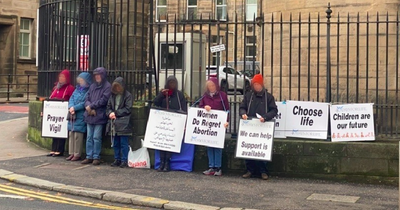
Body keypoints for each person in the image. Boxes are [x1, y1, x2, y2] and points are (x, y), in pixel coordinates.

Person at [239, 74, 278, 180]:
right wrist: (243, 113)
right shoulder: (248, 96)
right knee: (249, 148)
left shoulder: (268, 97)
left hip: (262, 126)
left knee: (261, 150)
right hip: (250, 126)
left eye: (258, 84)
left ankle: (263, 171)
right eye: (254, 84)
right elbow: (242, 107)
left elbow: (274, 110)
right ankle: (249, 170)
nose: (256, 86)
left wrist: (265, 117)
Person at [153, 75, 187, 172]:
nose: (172, 85)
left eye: (173, 83)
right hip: (163, 122)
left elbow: (183, 108)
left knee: (169, 143)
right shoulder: (164, 93)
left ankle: (167, 162)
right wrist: (161, 95)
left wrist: (184, 122)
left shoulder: (179, 95)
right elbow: (156, 103)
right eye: (170, 83)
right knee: (161, 143)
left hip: (174, 122)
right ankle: (161, 162)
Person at [199, 77, 229, 176]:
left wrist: (227, 121)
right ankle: (211, 166)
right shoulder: (205, 96)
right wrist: (204, 107)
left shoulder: (222, 96)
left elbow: (227, 109)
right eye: (209, 86)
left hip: (219, 124)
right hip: (208, 124)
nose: (211, 88)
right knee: (209, 145)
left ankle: (218, 167)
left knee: (217, 146)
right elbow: (200, 107)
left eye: (212, 86)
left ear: (216, 86)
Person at [81, 67, 111, 165]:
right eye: (96, 75)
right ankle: (89, 156)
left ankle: (96, 157)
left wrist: (91, 106)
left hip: (99, 114)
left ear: (103, 75)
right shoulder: (92, 86)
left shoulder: (107, 86)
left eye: (99, 75)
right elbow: (87, 97)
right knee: (89, 137)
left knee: (96, 137)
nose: (97, 77)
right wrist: (88, 106)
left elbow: (104, 100)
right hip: (90, 114)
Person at [106, 77, 133, 168]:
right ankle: (117, 159)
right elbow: (108, 107)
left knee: (123, 143)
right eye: (116, 87)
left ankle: (124, 160)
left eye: (119, 87)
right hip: (114, 121)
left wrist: (116, 113)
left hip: (123, 121)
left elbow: (128, 109)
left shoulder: (128, 95)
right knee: (116, 143)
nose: (117, 89)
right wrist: (110, 113)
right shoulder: (112, 96)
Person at [46, 69, 75, 157]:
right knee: (54, 130)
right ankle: (54, 148)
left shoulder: (70, 88)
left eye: (63, 77)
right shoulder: (55, 88)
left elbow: (71, 100)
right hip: (54, 113)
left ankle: (60, 149)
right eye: (60, 77)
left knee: (61, 131)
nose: (61, 78)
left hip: (63, 113)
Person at [66, 72, 92, 161]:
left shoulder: (88, 91)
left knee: (78, 135)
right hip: (73, 115)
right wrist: (70, 107)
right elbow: (71, 98)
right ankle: (71, 152)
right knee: (71, 134)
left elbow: (84, 103)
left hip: (80, 115)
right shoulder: (76, 89)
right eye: (79, 80)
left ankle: (77, 154)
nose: (80, 82)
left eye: (82, 80)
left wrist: (74, 108)